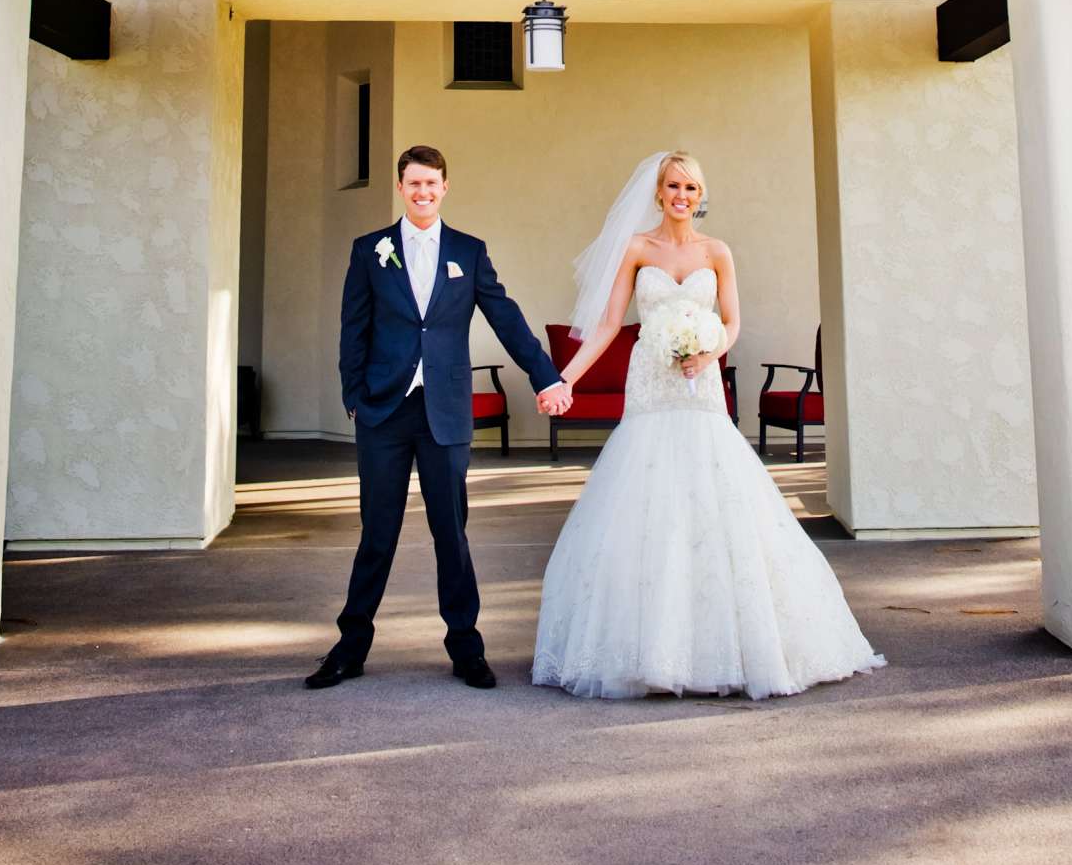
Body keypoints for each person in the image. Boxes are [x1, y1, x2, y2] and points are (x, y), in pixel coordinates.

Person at [531, 150, 886, 700]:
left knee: (717, 496)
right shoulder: (635, 249)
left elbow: (733, 319)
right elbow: (606, 325)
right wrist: (566, 380)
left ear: (701, 195)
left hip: (700, 388)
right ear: (658, 192)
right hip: (651, 387)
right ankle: (646, 651)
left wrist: (709, 347)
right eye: (673, 186)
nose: (682, 196)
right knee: (647, 501)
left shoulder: (716, 251)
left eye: (691, 188)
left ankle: (736, 646)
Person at [305, 144, 570, 692]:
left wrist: (546, 376)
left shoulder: (468, 252)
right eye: (413, 184)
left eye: (432, 184)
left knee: (451, 531)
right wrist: (353, 396)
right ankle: (350, 646)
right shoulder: (370, 250)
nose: (423, 193)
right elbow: (352, 329)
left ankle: (466, 648)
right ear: (400, 188)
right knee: (378, 532)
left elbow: (506, 318)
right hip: (383, 410)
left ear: (445, 187)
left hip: (444, 412)